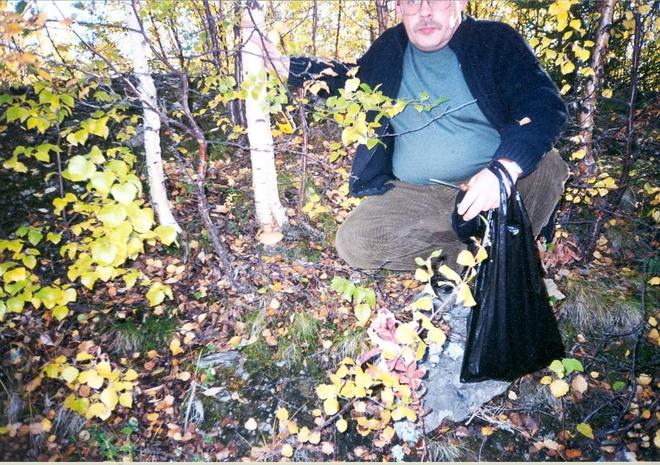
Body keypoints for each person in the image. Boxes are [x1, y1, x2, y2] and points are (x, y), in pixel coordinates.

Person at [254, 0, 569, 270]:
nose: (425, 12)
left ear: (460, 2)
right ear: (399, 7)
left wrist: (503, 169)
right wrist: (286, 66)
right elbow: (349, 80)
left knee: (549, 165)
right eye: (412, 2)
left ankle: (498, 253)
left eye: (437, 1)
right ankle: (480, 258)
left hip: (488, 184)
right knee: (355, 243)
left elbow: (544, 105)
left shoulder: (493, 41)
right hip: (416, 194)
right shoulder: (391, 48)